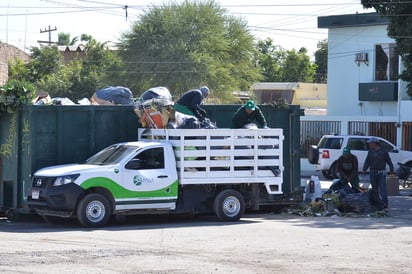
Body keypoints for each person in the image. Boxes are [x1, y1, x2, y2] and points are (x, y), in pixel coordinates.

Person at [362, 136, 394, 209]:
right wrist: (364, 169)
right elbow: (367, 161)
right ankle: (377, 203)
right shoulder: (370, 151)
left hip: (381, 173)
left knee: (383, 189)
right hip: (373, 172)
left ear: (374, 143)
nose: (369, 145)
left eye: (370, 143)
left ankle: (385, 203)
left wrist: (391, 168)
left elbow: (388, 160)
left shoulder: (383, 151)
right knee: (374, 189)